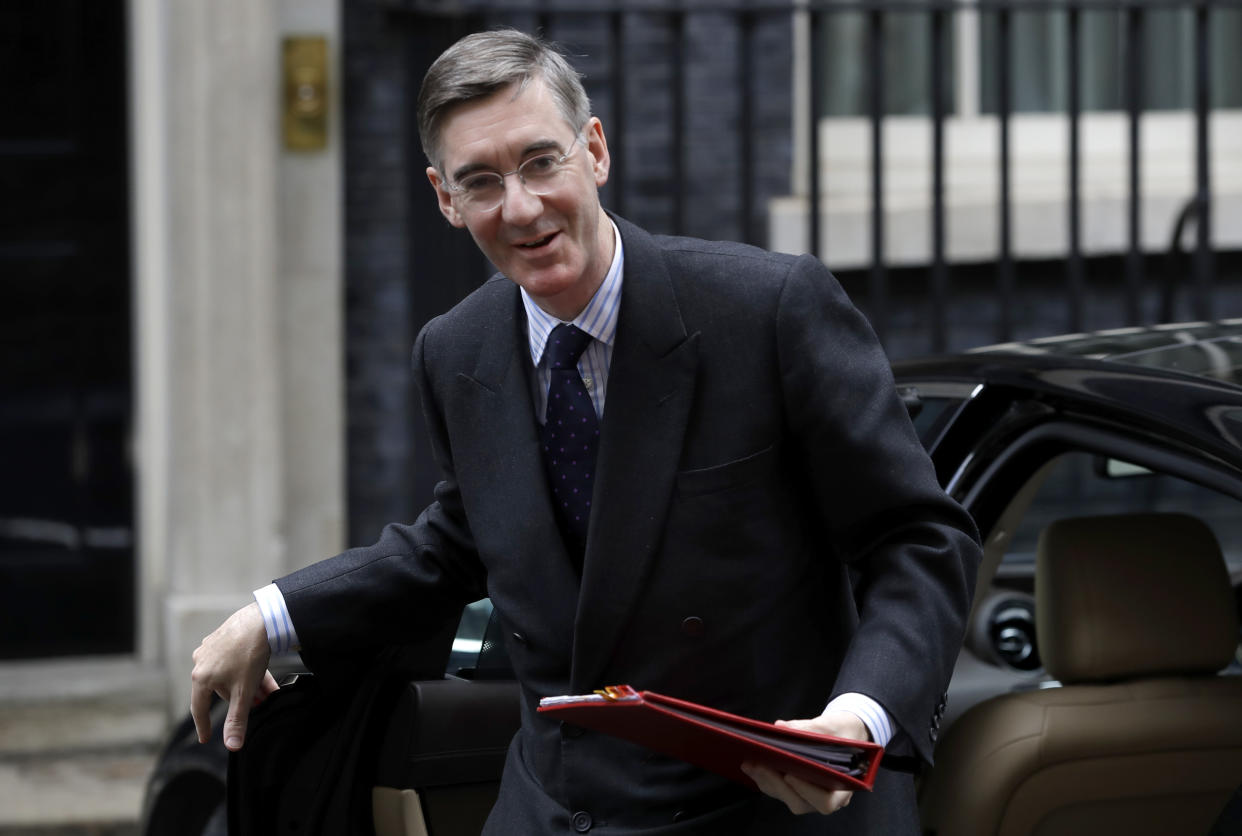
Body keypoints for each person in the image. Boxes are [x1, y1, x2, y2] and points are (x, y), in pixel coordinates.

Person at [191, 29, 981, 834]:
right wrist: (275, 614)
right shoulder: (455, 351)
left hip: (768, 802)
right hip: (557, 808)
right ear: (445, 198)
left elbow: (919, 538)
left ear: (594, 150)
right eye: (483, 181)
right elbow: (460, 540)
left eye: (542, 162)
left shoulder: (766, 311)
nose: (523, 207)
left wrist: (858, 718)